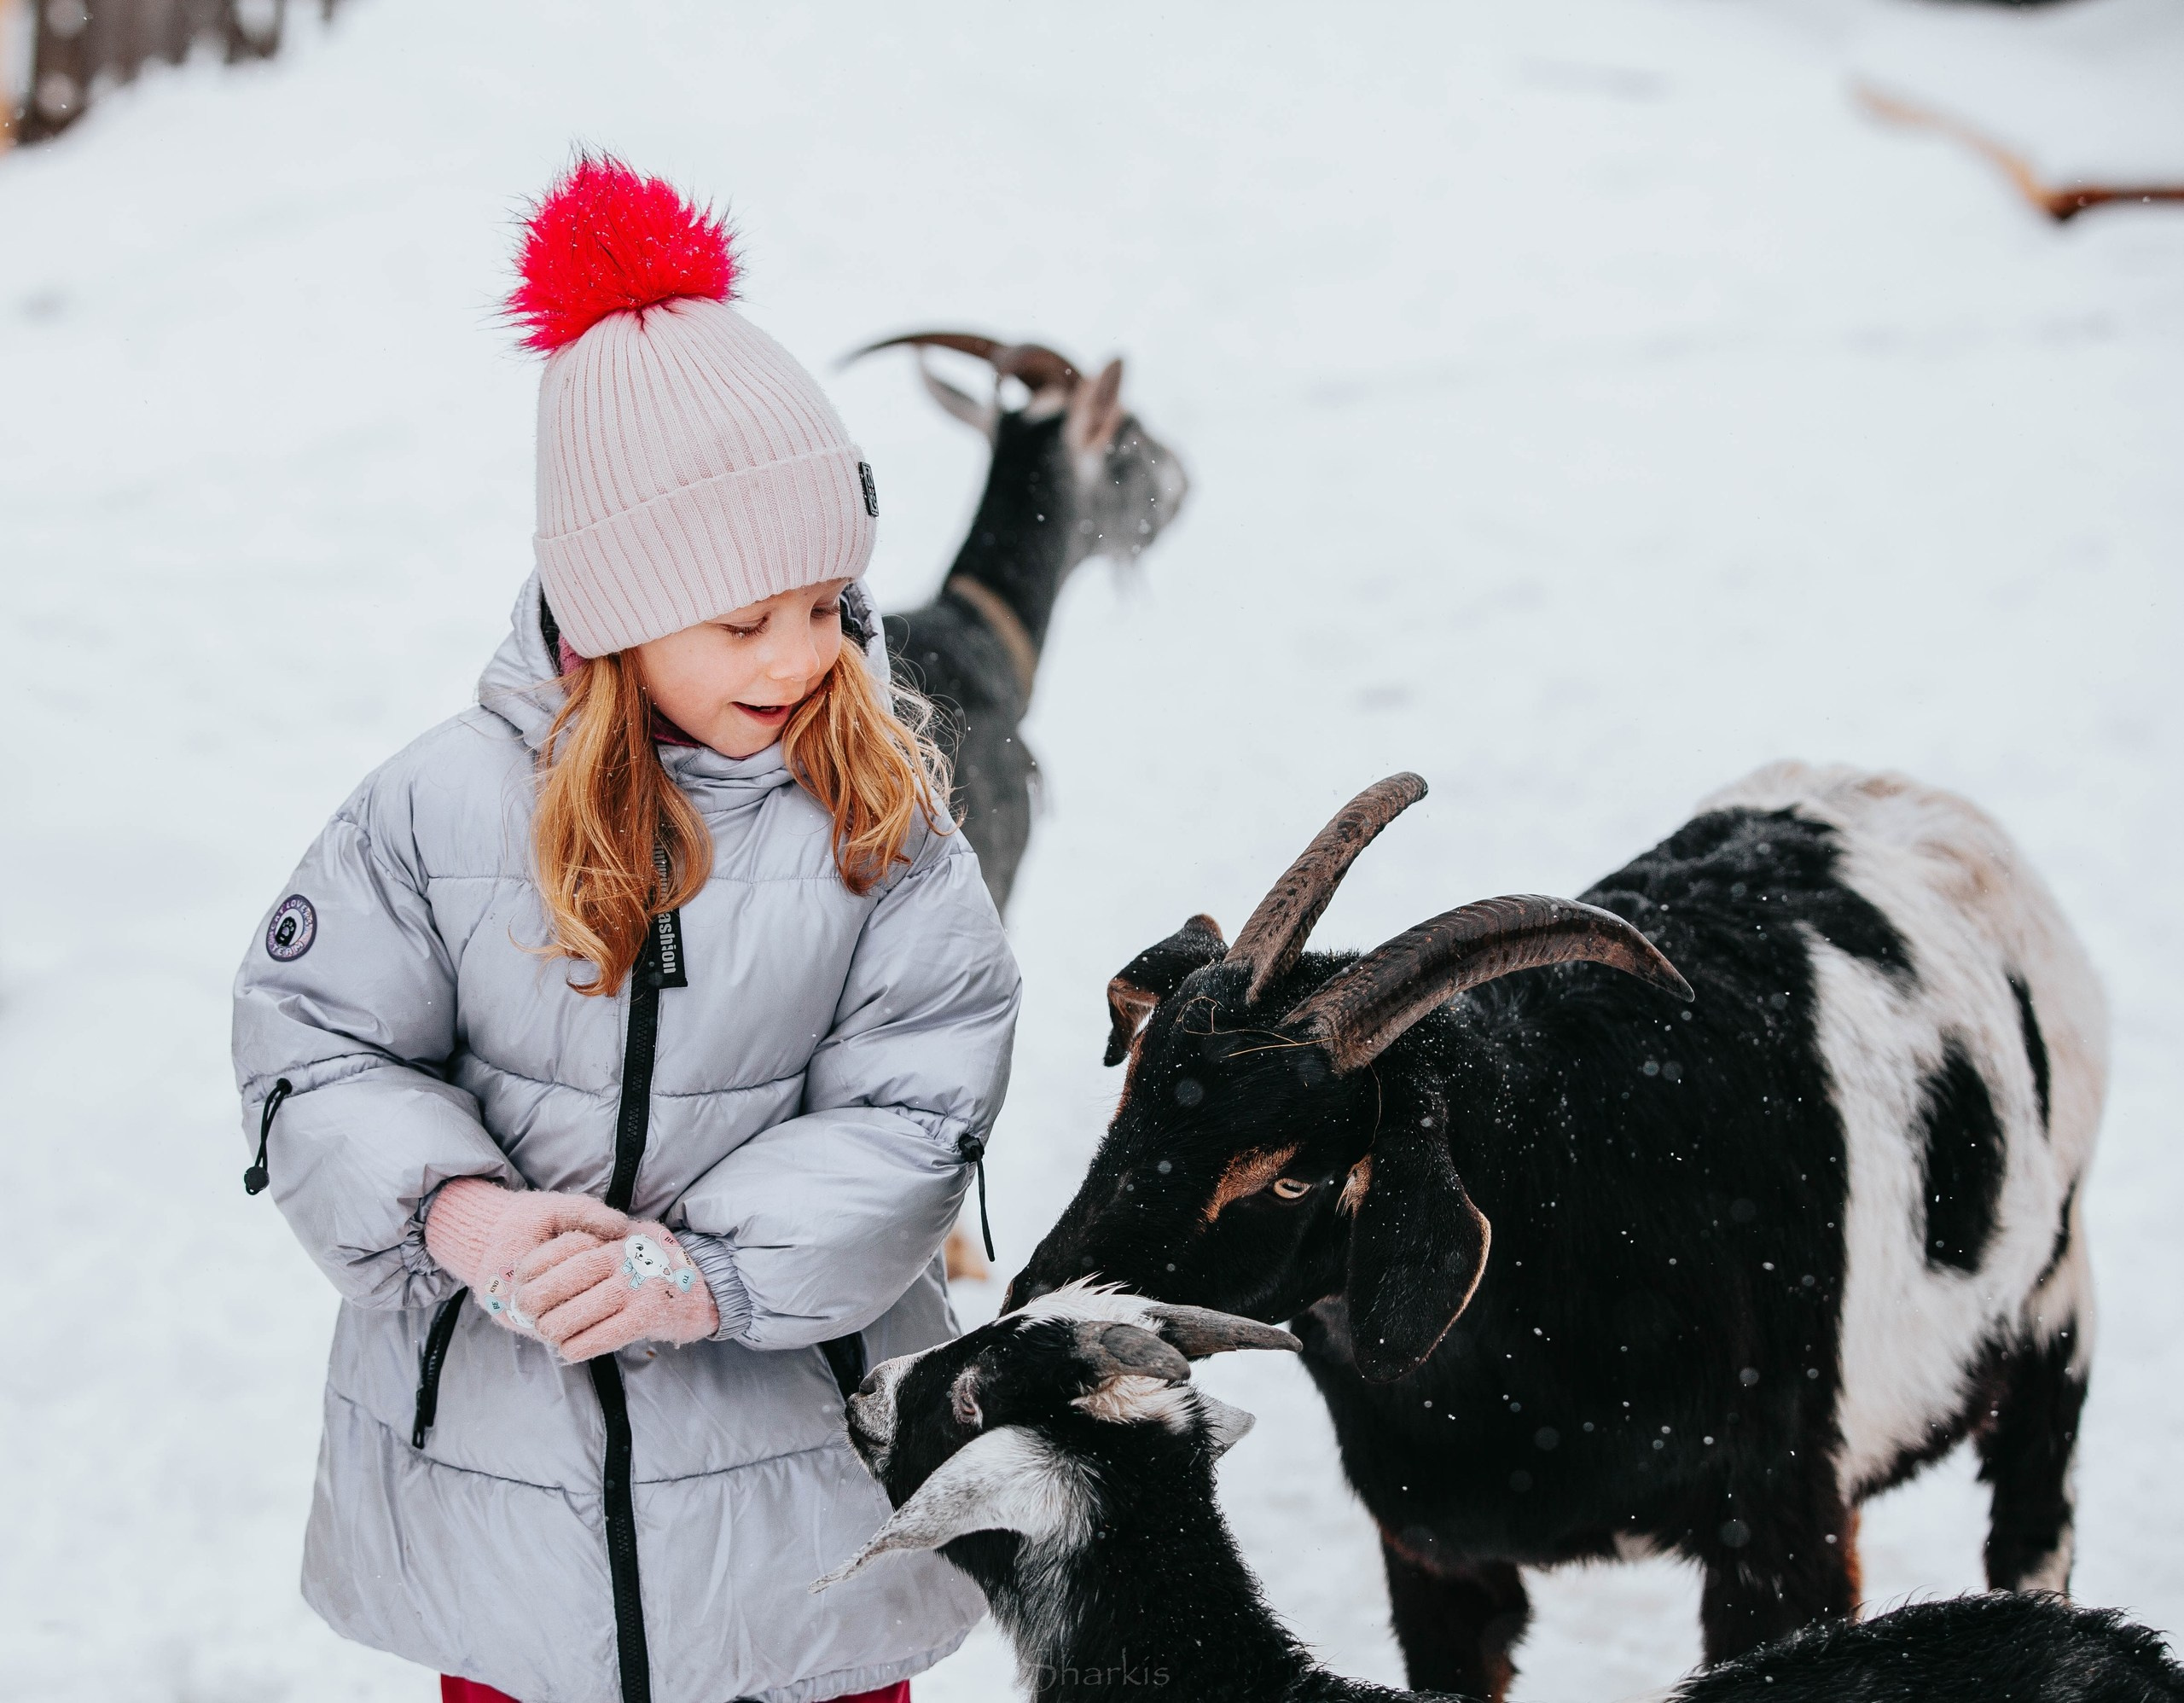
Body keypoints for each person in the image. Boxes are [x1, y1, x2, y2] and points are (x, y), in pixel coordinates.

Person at [231, 156, 1019, 1703]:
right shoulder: (440, 811)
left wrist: (706, 1276)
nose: (801, 655)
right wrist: (463, 1215)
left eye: (822, 603)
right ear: (612, 612)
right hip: (510, 1516)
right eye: (743, 621)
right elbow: (310, 1049)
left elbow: (919, 1110)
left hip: (808, 1503)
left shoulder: (883, 824)